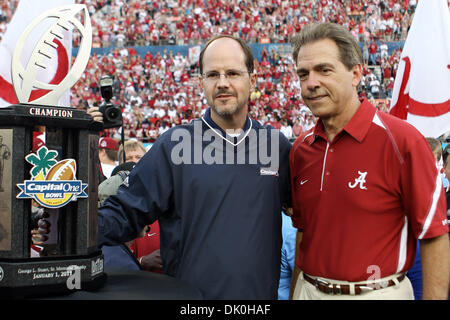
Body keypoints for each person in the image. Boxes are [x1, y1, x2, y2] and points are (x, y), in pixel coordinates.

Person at [96, 35, 291, 299]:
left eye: (232, 73)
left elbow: (307, 213)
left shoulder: (274, 145)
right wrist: (63, 230)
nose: (223, 83)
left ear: (252, 80)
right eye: (213, 75)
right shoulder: (174, 145)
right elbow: (125, 212)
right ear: (201, 83)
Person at [289, 22, 449, 300]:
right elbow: (304, 231)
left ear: (356, 73)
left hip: (377, 292)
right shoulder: (301, 150)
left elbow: (433, 235)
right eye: (303, 74)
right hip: (309, 289)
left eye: (324, 70)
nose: (311, 82)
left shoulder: (403, 141)